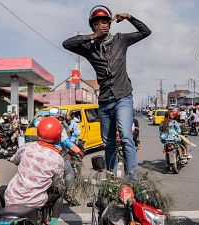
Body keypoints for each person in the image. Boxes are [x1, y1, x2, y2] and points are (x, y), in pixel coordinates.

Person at [63, 5, 151, 181]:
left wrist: (129, 17)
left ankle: (132, 178)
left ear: (110, 24)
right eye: (97, 23)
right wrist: (92, 37)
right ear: (92, 26)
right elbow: (66, 43)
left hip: (123, 96)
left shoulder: (121, 40)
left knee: (126, 136)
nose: (101, 25)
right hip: (104, 101)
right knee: (108, 142)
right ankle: (112, 177)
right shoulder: (89, 47)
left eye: (105, 21)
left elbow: (145, 32)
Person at [0, 117, 64, 225]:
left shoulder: (26, 147)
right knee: (59, 194)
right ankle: (53, 223)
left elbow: (14, 159)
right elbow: (57, 181)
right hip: (36, 201)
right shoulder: (57, 159)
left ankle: (0, 220)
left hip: (13, 197)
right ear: (58, 135)